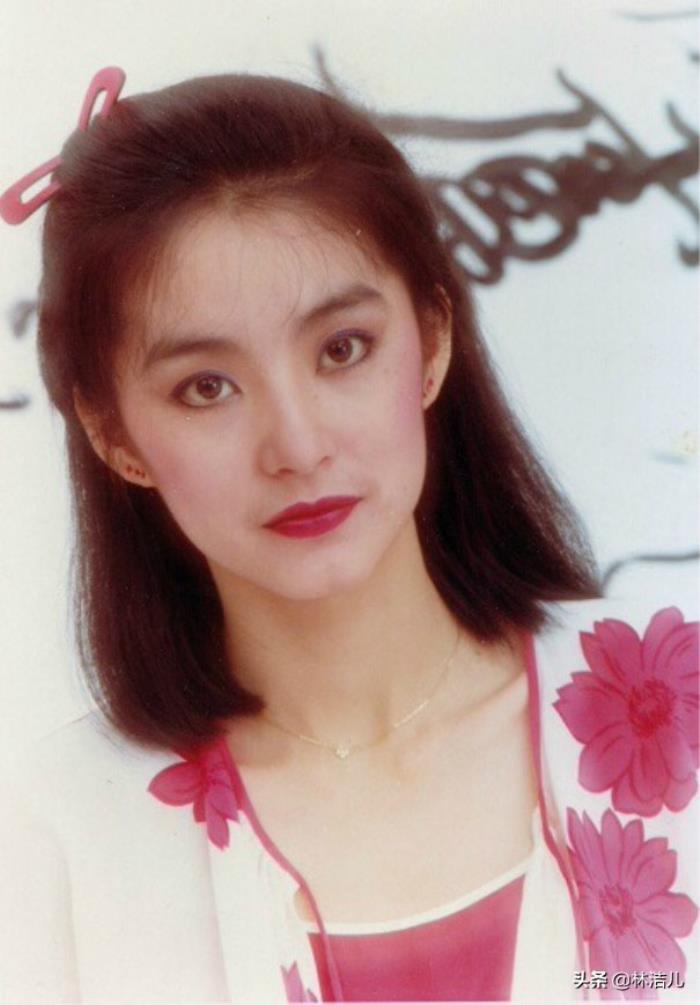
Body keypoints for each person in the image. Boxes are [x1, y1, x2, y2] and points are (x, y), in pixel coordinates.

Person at [0, 67, 697, 1004]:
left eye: (342, 349)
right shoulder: (51, 839)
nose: (297, 446)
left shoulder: (678, 706)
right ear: (113, 433)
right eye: (206, 387)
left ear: (432, 340)